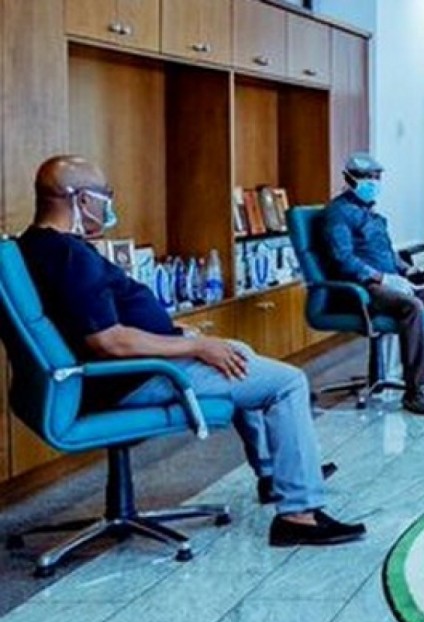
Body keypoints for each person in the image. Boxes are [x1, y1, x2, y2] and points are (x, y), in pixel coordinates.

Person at [18, 156, 365, 547]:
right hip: (135, 376)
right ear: (82, 200)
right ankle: (299, 515)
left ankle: (274, 475)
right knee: (287, 383)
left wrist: (177, 335)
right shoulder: (70, 256)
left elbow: (93, 324)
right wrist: (195, 345)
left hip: (125, 370)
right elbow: (109, 341)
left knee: (237, 352)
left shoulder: (34, 245)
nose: (108, 206)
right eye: (104, 196)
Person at [321, 153, 424, 416]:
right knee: (412, 306)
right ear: (349, 179)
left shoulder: (371, 213)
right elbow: (343, 259)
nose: (373, 182)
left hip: (395, 281)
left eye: (376, 177)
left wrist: (406, 270)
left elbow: (387, 254)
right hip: (366, 288)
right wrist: (381, 278)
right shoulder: (338, 213)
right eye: (367, 177)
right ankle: (416, 390)